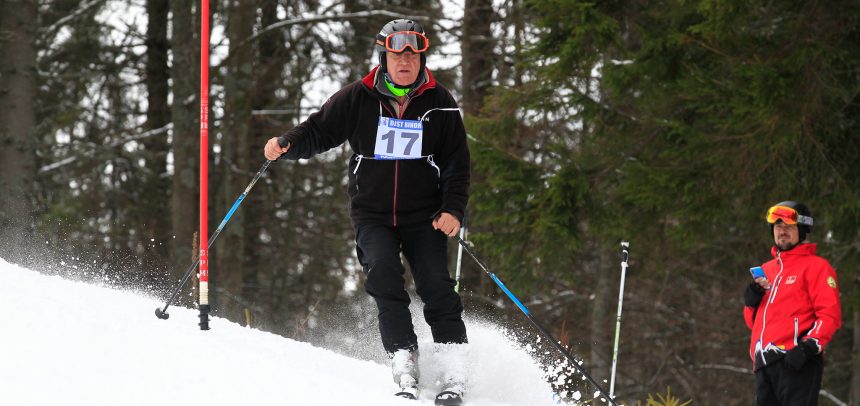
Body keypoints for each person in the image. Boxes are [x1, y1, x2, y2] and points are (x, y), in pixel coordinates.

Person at [263, 19, 469, 403]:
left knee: (436, 286)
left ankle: (453, 372)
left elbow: (457, 163)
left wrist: (453, 209)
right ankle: (404, 361)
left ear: (421, 59)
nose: (404, 62)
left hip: (425, 215)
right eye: (396, 55)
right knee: (384, 278)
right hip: (373, 214)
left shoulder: (440, 101)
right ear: (383, 57)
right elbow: (319, 130)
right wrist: (288, 143)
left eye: (412, 56)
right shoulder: (358, 97)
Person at [743, 201, 842, 406]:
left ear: (802, 230)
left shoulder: (816, 267)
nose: (782, 232)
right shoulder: (767, 269)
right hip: (764, 362)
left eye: (789, 227)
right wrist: (751, 301)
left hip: (797, 360)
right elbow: (754, 323)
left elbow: (829, 315)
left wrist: (808, 347)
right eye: (778, 227)